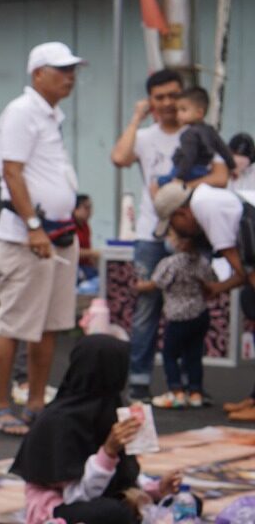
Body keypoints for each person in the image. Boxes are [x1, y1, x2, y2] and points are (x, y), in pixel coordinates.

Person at [111, 70, 230, 400]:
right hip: (150, 234)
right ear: (150, 101)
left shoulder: (199, 133)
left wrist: (175, 190)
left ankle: (192, 386)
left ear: (185, 98)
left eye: (173, 96)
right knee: (147, 308)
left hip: (192, 233)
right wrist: (136, 118)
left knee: (196, 307)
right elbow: (120, 157)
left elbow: (221, 175)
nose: (167, 103)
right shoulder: (146, 136)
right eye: (159, 97)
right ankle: (138, 380)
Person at [0, 42, 84, 437]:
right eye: (61, 69)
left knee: (50, 325)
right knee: (13, 324)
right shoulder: (22, 111)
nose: (70, 76)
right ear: (38, 74)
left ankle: (36, 403)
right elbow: (11, 172)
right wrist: (32, 225)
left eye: (72, 69)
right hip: (27, 237)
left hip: (55, 234)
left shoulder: (49, 115)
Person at [11, 335, 183, 524]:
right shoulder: (58, 421)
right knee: (113, 513)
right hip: (58, 508)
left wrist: (158, 489)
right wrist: (108, 452)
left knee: (186, 502)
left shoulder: (110, 407)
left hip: (102, 498)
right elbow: (77, 497)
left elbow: (123, 478)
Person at [153, 181, 255, 422]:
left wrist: (223, 287)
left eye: (174, 225)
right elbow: (243, 270)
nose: (178, 232)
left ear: (181, 212)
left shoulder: (205, 207)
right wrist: (219, 288)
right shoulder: (206, 201)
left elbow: (242, 267)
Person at [134, 229, 215, 409]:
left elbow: (156, 284)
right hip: (200, 314)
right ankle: (195, 393)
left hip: (178, 316)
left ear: (181, 242)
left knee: (170, 355)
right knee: (194, 355)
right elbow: (211, 282)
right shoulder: (202, 262)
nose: (168, 240)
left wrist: (139, 286)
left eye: (171, 236)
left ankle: (176, 391)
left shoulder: (170, 263)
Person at [74, 194, 99, 285]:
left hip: (86, 266)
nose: (90, 211)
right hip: (75, 266)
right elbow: (72, 252)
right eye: (86, 208)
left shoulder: (85, 226)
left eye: (90, 208)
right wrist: (93, 253)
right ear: (75, 209)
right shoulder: (70, 227)